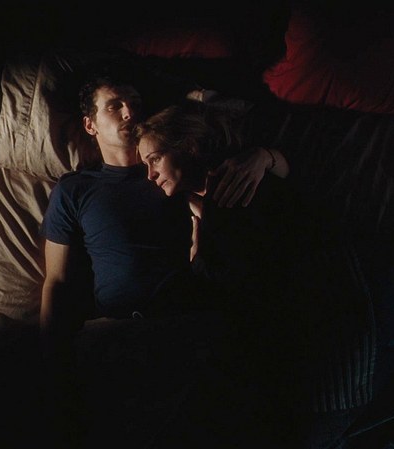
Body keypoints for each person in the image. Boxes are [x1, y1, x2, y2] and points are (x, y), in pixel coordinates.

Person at [38, 68, 290, 448]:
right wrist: (49, 360)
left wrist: (264, 156)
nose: (129, 112)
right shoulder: (76, 189)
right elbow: (57, 281)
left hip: (191, 321)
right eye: (115, 106)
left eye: (135, 103)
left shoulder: (174, 169)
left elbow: (268, 177)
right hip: (121, 332)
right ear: (90, 125)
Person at [135, 100, 321, 447]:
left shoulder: (238, 189)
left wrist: (266, 157)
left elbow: (239, 286)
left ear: (189, 146)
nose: (150, 174)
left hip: (277, 341)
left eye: (154, 159)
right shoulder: (188, 206)